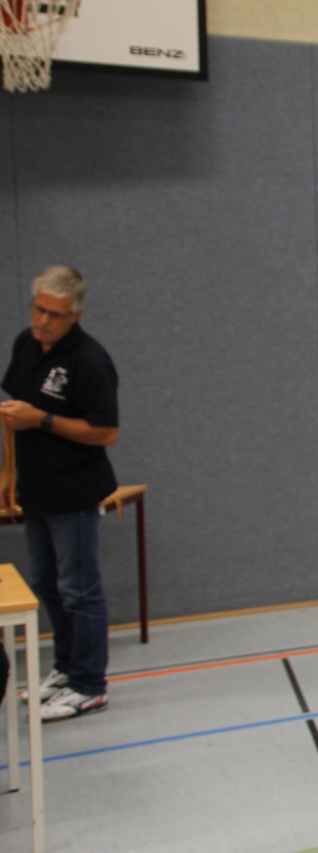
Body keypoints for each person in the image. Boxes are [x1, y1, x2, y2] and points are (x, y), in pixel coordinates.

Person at [1, 265, 117, 721]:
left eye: (54, 314)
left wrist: (44, 420)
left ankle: (90, 684)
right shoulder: (26, 345)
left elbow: (106, 432)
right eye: (38, 309)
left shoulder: (90, 361)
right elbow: (12, 414)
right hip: (36, 489)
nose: (43, 321)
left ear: (75, 315)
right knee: (47, 584)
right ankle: (67, 668)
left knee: (79, 589)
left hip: (76, 492)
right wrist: (8, 471)